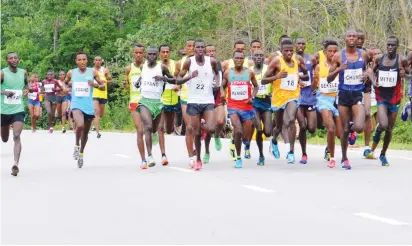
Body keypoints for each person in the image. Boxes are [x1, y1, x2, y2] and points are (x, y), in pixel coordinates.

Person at [262, 39, 309, 164]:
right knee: (278, 126)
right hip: (278, 99)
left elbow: (306, 75)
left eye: (290, 51)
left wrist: (299, 78)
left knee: (290, 120)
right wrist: (277, 77)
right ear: (281, 51)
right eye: (286, 51)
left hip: (293, 96)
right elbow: (263, 80)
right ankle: (274, 139)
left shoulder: (298, 60)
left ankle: (291, 151)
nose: (289, 53)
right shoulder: (276, 62)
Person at [327, 29, 369, 170]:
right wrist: (339, 69)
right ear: (345, 39)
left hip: (357, 93)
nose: (352, 38)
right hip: (343, 95)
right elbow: (328, 78)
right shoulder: (338, 56)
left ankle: (352, 130)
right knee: (344, 129)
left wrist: (365, 75)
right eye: (349, 36)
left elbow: (367, 70)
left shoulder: (363, 54)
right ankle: (344, 158)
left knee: (359, 126)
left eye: (354, 36)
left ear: (358, 39)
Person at [176, 40, 220, 170]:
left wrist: (217, 84)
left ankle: (201, 123)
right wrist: (189, 77)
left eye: (202, 47)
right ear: (194, 49)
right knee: (196, 132)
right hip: (193, 100)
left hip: (207, 100)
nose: (200, 49)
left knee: (211, 128)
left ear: (205, 49)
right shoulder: (189, 62)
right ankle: (198, 159)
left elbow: (217, 74)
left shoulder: (211, 61)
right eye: (198, 47)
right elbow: (178, 80)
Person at [369, 36, 409, 166]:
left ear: (397, 46)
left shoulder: (401, 60)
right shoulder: (380, 58)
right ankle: (376, 138)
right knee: (384, 124)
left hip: (395, 98)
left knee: (389, 129)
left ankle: (383, 154)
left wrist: (405, 74)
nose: (390, 47)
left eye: (393, 45)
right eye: (388, 45)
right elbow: (371, 71)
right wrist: (374, 80)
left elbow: (409, 73)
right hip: (382, 97)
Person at [65, 51, 105, 168]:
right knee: (80, 125)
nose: (82, 62)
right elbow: (65, 83)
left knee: (86, 133)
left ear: (87, 61)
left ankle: (81, 152)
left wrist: (95, 85)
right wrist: (67, 87)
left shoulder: (93, 72)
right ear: (76, 61)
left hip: (88, 106)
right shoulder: (71, 72)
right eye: (79, 60)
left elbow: (103, 86)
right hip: (76, 104)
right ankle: (76, 145)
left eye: (84, 59)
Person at [137, 47, 176, 169]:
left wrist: (163, 78)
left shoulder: (162, 68)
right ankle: (149, 156)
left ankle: (154, 134)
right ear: (146, 55)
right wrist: (138, 81)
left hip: (158, 102)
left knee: (155, 128)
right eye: (150, 54)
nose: (152, 56)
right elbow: (142, 77)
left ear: (157, 55)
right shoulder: (142, 66)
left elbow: (174, 80)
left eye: (154, 54)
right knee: (147, 127)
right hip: (144, 101)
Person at [222, 50, 258, 168]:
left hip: (247, 107)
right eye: (236, 58)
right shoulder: (228, 73)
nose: (239, 60)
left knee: (245, 137)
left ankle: (239, 141)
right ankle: (238, 157)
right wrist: (223, 93)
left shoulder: (250, 73)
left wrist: (252, 97)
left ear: (244, 60)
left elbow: (256, 86)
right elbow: (222, 87)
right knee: (238, 130)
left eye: (241, 58)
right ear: (233, 59)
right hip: (233, 107)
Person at [312, 40, 341, 168]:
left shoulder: (342, 65)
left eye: (335, 51)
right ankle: (332, 157)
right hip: (323, 99)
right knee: (330, 127)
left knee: (340, 133)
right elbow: (314, 84)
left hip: (338, 99)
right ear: (325, 52)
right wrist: (314, 84)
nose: (333, 53)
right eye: (330, 51)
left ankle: (328, 147)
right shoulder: (319, 66)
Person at [1, 52, 28, 176]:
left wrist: (27, 89)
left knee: (17, 135)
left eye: (15, 57)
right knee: (5, 139)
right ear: (7, 61)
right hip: (3, 111)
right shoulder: (2, 73)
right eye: (10, 58)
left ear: (18, 59)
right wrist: (4, 92)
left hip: (18, 109)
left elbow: (26, 84)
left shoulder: (23, 72)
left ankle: (15, 164)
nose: (13, 59)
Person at [295, 37, 317, 164]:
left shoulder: (311, 59)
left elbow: (316, 73)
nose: (301, 45)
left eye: (303, 43)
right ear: (295, 45)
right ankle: (304, 153)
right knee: (302, 125)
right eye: (299, 43)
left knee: (312, 128)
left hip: (309, 95)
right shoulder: (291, 58)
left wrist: (315, 85)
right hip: (297, 96)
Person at [175, 39, 196, 162]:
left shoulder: (202, 60)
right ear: (185, 48)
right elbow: (177, 76)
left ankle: (196, 146)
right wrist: (178, 85)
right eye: (189, 46)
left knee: (197, 127)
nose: (192, 48)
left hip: (200, 98)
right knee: (189, 127)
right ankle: (190, 155)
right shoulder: (180, 63)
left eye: (194, 46)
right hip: (185, 97)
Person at [202, 44, 224, 164]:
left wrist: (222, 91)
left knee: (220, 121)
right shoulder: (202, 65)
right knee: (209, 129)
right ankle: (206, 152)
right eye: (209, 51)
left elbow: (220, 81)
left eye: (213, 51)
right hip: (205, 97)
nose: (211, 53)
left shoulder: (218, 64)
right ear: (205, 53)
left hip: (217, 96)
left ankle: (217, 135)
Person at [125, 44, 146, 168]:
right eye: (136, 53)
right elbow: (127, 84)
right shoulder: (129, 69)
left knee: (149, 128)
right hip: (134, 101)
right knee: (140, 130)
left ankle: (149, 153)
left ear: (144, 54)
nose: (138, 55)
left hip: (148, 101)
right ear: (133, 53)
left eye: (140, 53)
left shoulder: (148, 67)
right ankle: (143, 160)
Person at [251, 50, 272, 165]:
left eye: (261, 55)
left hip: (266, 101)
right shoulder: (249, 71)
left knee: (268, 132)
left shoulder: (268, 69)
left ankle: (273, 137)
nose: (259, 57)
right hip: (254, 102)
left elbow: (275, 82)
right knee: (259, 128)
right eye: (256, 55)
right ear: (252, 58)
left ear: (264, 57)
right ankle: (261, 155)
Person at [158, 44, 178, 165]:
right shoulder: (156, 66)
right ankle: (163, 155)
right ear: (160, 53)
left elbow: (179, 77)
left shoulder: (176, 64)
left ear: (170, 53)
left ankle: (159, 130)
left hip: (173, 100)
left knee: (169, 129)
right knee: (160, 127)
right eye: (163, 52)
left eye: (167, 52)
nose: (165, 54)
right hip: (160, 100)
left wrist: (178, 86)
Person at [92, 56, 112, 138]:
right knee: (96, 112)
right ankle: (97, 132)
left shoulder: (105, 70)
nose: (97, 61)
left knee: (100, 114)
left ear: (101, 61)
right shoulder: (91, 71)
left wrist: (105, 81)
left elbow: (111, 81)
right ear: (94, 61)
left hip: (103, 94)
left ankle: (94, 123)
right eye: (96, 60)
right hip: (94, 94)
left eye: (99, 60)